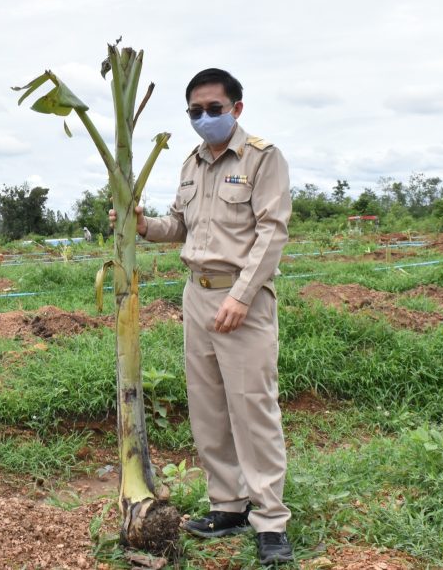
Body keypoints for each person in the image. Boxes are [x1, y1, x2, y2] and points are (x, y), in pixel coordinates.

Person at [116, 68, 293, 564]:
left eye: (213, 109)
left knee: (252, 408)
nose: (204, 118)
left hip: (244, 299)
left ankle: (271, 519)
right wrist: (143, 225)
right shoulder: (191, 164)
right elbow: (180, 225)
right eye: (195, 111)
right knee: (208, 407)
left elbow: (272, 231)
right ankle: (229, 504)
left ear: (236, 108)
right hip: (197, 295)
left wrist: (241, 295)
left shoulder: (262, 157)